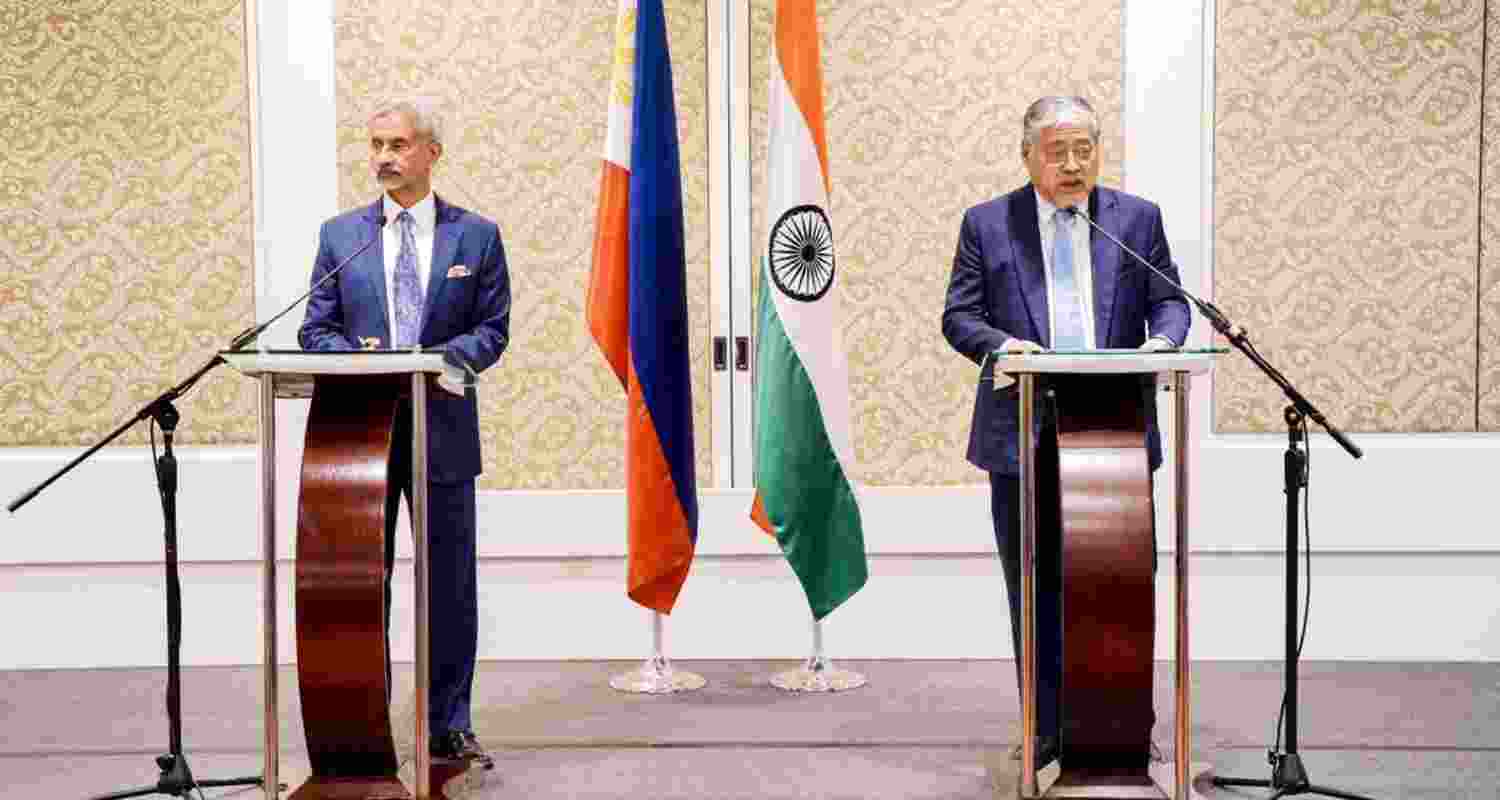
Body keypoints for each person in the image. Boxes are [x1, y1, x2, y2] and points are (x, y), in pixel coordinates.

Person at [940, 96, 1191, 770]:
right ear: (1028, 157)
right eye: (1058, 152)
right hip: (1022, 428)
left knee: (1121, 580)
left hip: (1115, 431)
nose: (1074, 165)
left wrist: (1163, 339)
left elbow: (1169, 298)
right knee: (1035, 584)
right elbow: (959, 317)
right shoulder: (987, 224)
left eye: (1085, 150)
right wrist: (1005, 345)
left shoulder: (1135, 220)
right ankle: (1045, 728)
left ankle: (1121, 727)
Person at [299, 98, 511, 767]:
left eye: (396, 144)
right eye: (375, 145)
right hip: (358, 436)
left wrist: (447, 359)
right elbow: (316, 328)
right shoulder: (343, 236)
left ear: (431, 153)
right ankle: (365, 725)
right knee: (361, 582)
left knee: (449, 587)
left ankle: (450, 723)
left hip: (443, 428)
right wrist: (357, 360)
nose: (383, 157)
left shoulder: (475, 236)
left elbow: (492, 327)